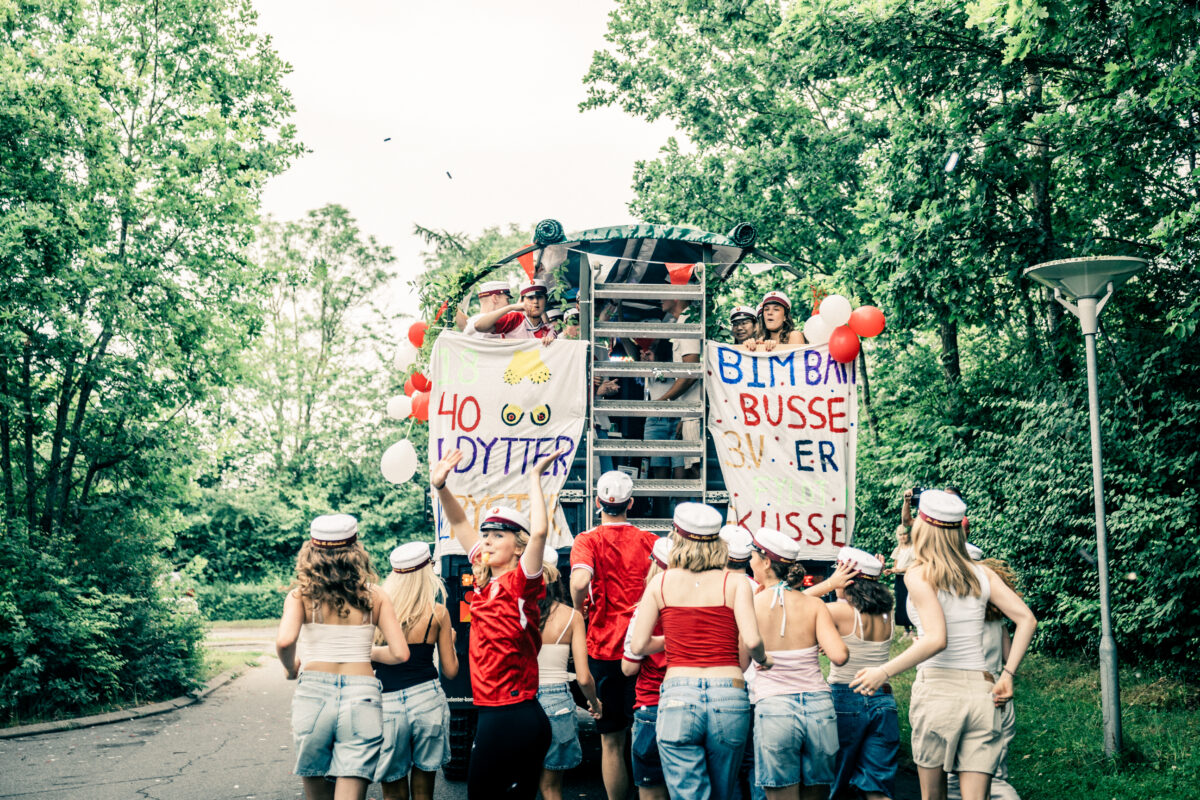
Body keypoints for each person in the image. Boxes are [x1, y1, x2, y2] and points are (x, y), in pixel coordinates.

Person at [851, 490, 1038, 800]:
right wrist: (1007, 675)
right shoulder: (983, 573)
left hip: (938, 692)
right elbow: (1027, 620)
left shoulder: (919, 574)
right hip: (982, 693)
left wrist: (883, 671)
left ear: (923, 528)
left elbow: (937, 639)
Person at [432, 446, 565, 800]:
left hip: (514, 714)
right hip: (494, 712)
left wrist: (535, 478)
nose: (487, 540)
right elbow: (460, 523)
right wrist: (441, 487)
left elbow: (538, 533)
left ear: (518, 548)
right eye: (486, 534)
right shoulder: (485, 581)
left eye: (498, 536)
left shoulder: (521, 583)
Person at [630, 502, 772, 800]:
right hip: (730, 694)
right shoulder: (735, 583)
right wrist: (763, 660)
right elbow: (752, 641)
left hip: (678, 694)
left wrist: (672, 640)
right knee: (724, 792)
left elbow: (639, 645)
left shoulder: (661, 582)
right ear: (718, 544)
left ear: (676, 539)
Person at [275, 514, 410, 800]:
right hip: (362, 693)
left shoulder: (300, 597)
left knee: (315, 783)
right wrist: (365, 653)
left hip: (313, 692)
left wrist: (291, 669)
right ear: (356, 552)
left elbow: (285, 641)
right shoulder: (377, 596)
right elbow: (400, 653)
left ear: (310, 553)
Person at [569, 470, 659, 800]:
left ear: (597, 503)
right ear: (630, 504)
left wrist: (578, 610)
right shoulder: (649, 541)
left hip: (604, 648)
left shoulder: (587, 540)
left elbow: (579, 582)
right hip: (644, 647)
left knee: (611, 740)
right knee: (645, 729)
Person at [748, 527, 848, 800]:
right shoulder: (814, 606)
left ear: (767, 562)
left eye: (753, 556)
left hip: (775, 707)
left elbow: (740, 660)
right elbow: (839, 656)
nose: (750, 562)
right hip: (818, 707)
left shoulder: (751, 605)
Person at [370, 542, 459, 800]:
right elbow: (451, 671)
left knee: (392, 785)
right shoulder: (437, 613)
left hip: (387, 702)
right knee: (424, 786)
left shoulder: (375, 611)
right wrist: (450, 644)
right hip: (427, 699)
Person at [822, 547, 899, 800]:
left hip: (846, 696)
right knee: (877, 785)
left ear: (848, 579)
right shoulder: (888, 612)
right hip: (883, 699)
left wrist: (828, 585)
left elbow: (795, 606)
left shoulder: (836, 611)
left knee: (835, 781)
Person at [946, 547, 1022, 800]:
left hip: (965, 696)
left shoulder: (954, 614)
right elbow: (1008, 655)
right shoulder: (997, 618)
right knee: (994, 773)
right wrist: (1006, 676)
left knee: (955, 775)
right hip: (999, 696)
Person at [538, 544, 602, 800]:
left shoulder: (513, 613)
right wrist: (595, 704)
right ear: (557, 578)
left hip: (519, 700)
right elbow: (584, 677)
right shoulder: (572, 617)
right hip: (557, 703)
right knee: (552, 787)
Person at [622, 537, 673, 800]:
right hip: (688, 703)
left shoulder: (644, 611)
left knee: (651, 790)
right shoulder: (698, 605)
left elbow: (629, 668)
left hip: (651, 704)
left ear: (654, 565)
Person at [471, 278, 556, 342]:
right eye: (530, 298)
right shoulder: (514, 318)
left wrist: (550, 342)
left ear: (545, 300)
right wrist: (511, 307)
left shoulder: (549, 328)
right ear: (522, 301)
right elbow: (479, 326)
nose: (535, 302)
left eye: (540, 297)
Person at [885, 525, 915, 637]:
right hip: (899, 579)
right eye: (900, 534)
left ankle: (913, 628)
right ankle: (906, 629)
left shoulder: (914, 548)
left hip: (910, 577)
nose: (903, 537)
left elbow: (916, 565)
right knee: (901, 602)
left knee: (911, 601)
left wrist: (901, 570)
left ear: (909, 535)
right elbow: (895, 566)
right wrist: (890, 571)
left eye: (905, 534)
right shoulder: (897, 550)